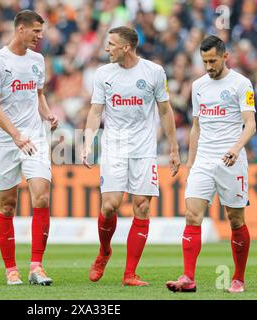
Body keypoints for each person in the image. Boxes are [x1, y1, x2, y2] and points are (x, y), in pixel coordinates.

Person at [82, 26, 180, 286]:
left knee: (143, 206)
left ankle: (129, 273)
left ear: (126, 47)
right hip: (114, 146)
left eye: (111, 44)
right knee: (110, 205)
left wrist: (173, 147)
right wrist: (87, 141)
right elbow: (95, 112)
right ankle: (104, 252)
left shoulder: (154, 72)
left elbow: (165, 111)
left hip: (144, 149)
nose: (107, 48)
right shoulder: (103, 74)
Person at [166, 35, 256, 293]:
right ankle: (188, 278)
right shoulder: (198, 86)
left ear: (225, 56)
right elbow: (196, 127)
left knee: (235, 220)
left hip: (231, 160)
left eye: (213, 60)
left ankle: (238, 278)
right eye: (205, 61)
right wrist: (191, 164)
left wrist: (236, 149)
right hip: (204, 160)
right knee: (192, 215)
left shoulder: (241, 84)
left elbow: (250, 124)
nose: (209, 66)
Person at [0, 10, 58, 286]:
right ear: (21, 29)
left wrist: (48, 113)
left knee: (41, 196)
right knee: (7, 205)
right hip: (5, 140)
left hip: (34, 137)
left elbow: (37, 94)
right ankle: (10, 269)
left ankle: (37, 266)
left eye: (41, 31)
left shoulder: (38, 60)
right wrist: (14, 134)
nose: (40, 36)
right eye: (36, 31)